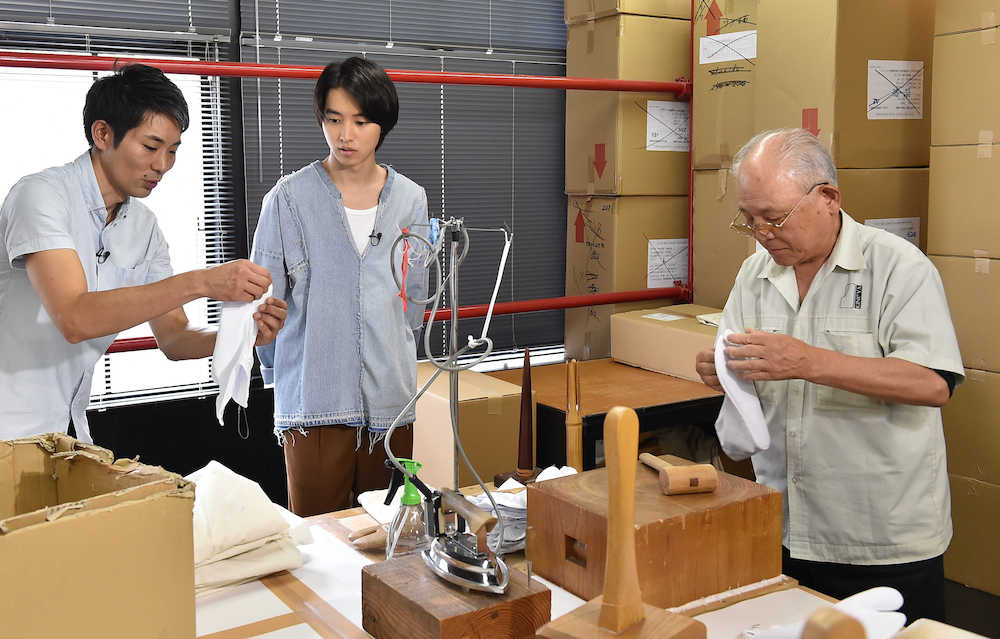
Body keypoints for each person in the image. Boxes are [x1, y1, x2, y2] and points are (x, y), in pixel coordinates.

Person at [695, 128, 964, 622]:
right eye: (748, 220)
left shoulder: (898, 268)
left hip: (880, 537)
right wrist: (724, 370)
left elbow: (932, 383)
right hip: (783, 526)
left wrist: (808, 362)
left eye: (774, 218)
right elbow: (742, 356)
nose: (762, 233)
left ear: (828, 198)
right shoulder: (755, 274)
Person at [0, 64, 287, 444]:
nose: (163, 166)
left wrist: (242, 335)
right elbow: (75, 317)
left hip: (64, 434)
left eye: (172, 151)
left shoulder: (144, 227)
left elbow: (175, 337)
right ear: (102, 134)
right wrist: (203, 281)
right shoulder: (40, 196)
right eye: (151, 147)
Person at [252, 57, 429, 517]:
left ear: (381, 123)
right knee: (318, 547)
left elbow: (414, 303)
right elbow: (263, 303)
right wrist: (281, 378)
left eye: (360, 121)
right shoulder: (287, 199)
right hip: (313, 402)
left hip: (391, 404)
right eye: (333, 119)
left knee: (389, 535)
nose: (345, 135)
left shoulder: (411, 199)